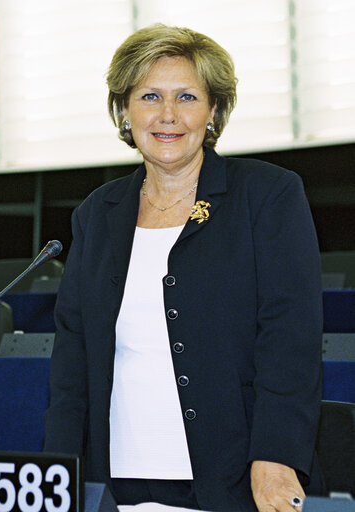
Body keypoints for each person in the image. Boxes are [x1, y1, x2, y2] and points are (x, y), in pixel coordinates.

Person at [43, 25, 323, 512]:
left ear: (212, 112)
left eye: (187, 97)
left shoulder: (267, 195)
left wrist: (276, 455)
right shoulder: (98, 212)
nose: (167, 115)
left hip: (234, 479)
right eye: (149, 96)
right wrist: (56, 476)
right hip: (114, 481)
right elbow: (73, 359)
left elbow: (290, 338)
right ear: (124, 111)